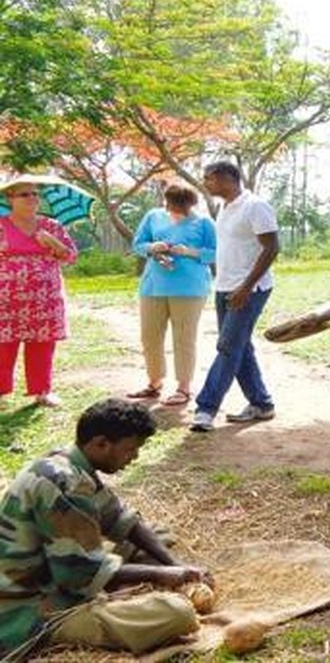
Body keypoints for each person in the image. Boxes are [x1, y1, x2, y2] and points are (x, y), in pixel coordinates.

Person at [0, 399, 212, 657]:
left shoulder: (69, 463)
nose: (134, 457)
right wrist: (159, 575)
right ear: (101, 444)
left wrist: (173, 564)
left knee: (156, 536)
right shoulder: (65, 483)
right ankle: (121, 600)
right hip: (31, 612)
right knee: (177, 614)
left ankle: (128, 588)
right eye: (130, 449)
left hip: (52, 572)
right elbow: (79, 574)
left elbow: (121, 519)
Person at [190, 161, 279, 432]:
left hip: (249, 290)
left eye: (210, 178)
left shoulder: (255, 206)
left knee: (228, 347)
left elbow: (272, 247)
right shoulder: (225, 208)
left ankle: (206, 409)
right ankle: (261, 404)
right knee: (239, 346)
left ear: (229, 178)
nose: (206, 183)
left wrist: (245, 287)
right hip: (224, 287)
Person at [126, 182, 217, 407]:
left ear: (191, 203)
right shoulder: (153, 216)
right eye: (171, 204)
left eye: (180, 205)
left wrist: (189, 252)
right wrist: (152, 248)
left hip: (190, 289)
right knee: (150, 336)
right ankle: (154, 382)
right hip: (153, 287)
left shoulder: (204, 222)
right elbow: (138, 245)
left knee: (184, 338)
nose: (174, 209)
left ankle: (183, 388)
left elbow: (215, 253)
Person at [0, 176, 79, 409]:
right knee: (3, 344)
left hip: (45, 297)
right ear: (10, 198)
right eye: (25, 194)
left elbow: (71, 257)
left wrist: (54, 243)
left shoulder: (52, 226)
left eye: (35, 194)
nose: (33, 198)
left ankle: (42, 391)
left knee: (42, 343)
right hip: (6, 297)